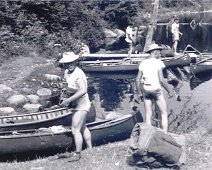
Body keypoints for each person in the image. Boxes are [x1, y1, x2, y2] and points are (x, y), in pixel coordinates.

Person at [58, 51, 92, 162]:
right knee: (83, 127)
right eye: (67, 63)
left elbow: (83, 90)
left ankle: (77, 153)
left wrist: (68, 100)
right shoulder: (67, 72)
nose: (70, 64)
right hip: (75, 102)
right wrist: (63, 94)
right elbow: (67, 85)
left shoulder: (79, 74)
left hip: (82, 103)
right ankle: (90, 149)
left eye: (72, 62)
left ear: (76, 61)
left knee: (75, 129)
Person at [135, 44, 173, 133]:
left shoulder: (143, 63)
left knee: (148, 113)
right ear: (154, 52)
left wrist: (139, 93)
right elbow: (162, 80)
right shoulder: (158, 62)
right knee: (163, 113)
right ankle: (164, 134)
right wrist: (170, 91)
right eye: (159, 52)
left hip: (146, 89)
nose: (160, 53)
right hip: (156, 89)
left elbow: (137, 80)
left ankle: (148, 134)